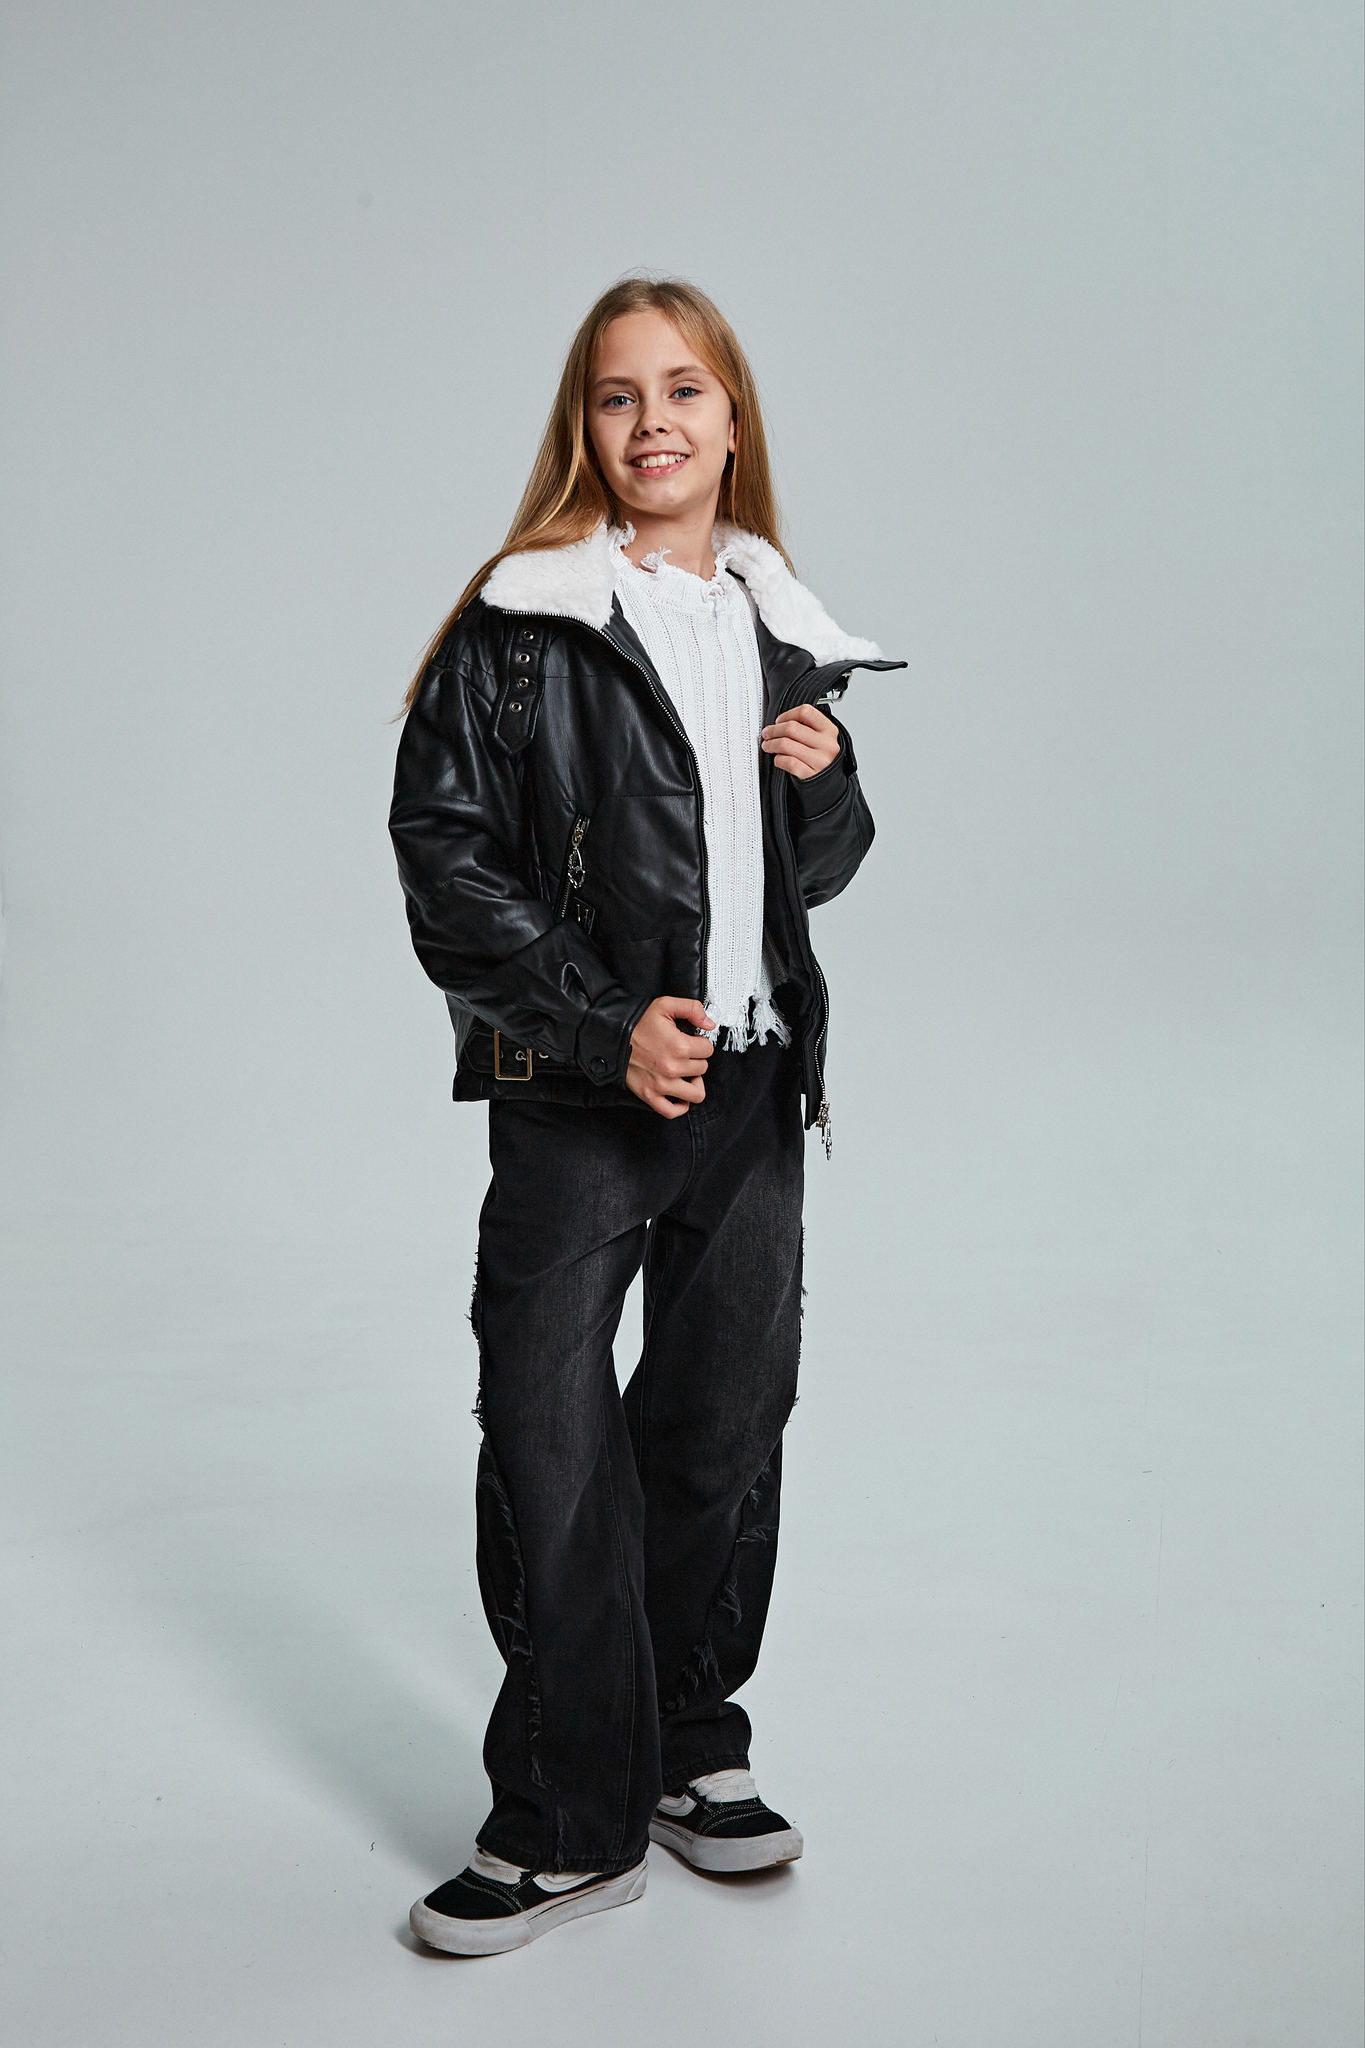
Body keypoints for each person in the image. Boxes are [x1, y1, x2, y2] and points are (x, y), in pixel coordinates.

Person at [389, 277, 902, 1956]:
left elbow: (811, 873)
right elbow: (445, 863)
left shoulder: (777, 622)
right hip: (579, 1093)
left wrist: (828, 789)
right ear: (583, 430)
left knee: (718, 1430)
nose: (653, 420)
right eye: (617, 397)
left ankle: (683, 1743)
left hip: (748, 1084)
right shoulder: (522, 625)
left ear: (732, 419)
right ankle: (562, 1814)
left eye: (683, 389)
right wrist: (604, 1028)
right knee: (551, 1443)